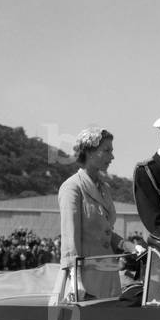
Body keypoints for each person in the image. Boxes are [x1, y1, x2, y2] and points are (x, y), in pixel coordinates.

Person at [59, 126, 136, 299]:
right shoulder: (72, 188)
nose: (112, 156)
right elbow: (69, 237)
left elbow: (104, 230)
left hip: (108, 274)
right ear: (89, 152)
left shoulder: (104, 188)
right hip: (85, 280)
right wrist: (75, 279)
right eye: (106, 150)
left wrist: (127, 245)